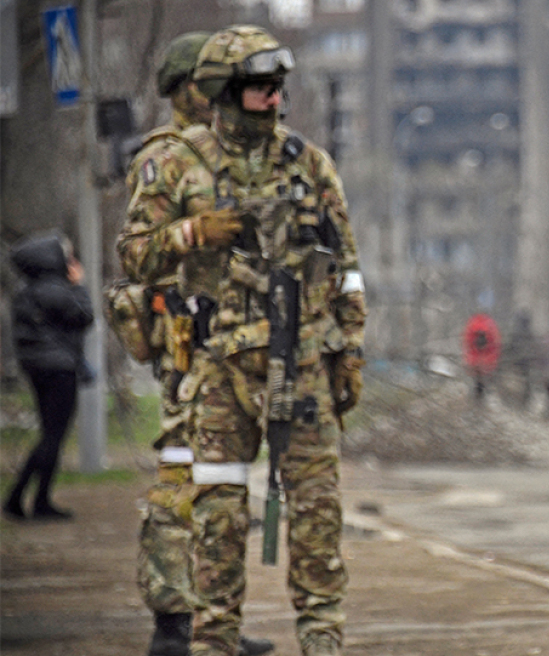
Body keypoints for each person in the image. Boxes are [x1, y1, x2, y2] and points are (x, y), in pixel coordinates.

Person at [119, 25, 366, 656]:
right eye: (260, 88)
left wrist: (350, 348)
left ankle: (322, 637)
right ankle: (213, 639)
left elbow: (346, 265)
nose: (274, 98)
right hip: (220, 370)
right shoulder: (179, 162)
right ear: (225, 91)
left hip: (302, 365)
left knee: (315, 512)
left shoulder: (309, 164)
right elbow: (135, 256)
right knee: (218, 516)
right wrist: (195, 232)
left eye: (279, 87)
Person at [115, 32, 274, 656]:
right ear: (188, 88)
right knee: (181, 478)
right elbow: (134, 253)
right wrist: (191, 230)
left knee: (222, 485)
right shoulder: (166, 156)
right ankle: (171, 623)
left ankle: (216, 620)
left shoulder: (231, 153)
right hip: (186, 343)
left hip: (235, 348)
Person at [4, 232, 94, 521]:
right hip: (59, 369)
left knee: (49, 435)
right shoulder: (56, 289)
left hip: (38, 369)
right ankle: (26, 497)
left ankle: (30, 498)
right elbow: (84, 315)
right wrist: (79, 286)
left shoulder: (27, 291)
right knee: (53, 436)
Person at [462, 312, 501, 403]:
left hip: (475, 362)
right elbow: (495, 346)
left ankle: (476, 401)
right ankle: (481, 401)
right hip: (485, 362)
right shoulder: (491, 326)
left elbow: (467, 345)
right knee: (483, 384)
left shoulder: (472, 325)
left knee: (476, 384)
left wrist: (470, 362)